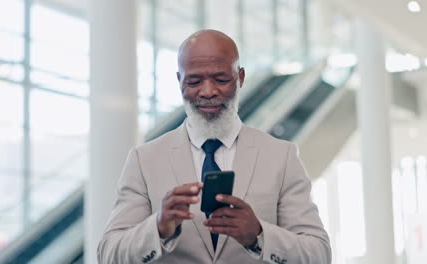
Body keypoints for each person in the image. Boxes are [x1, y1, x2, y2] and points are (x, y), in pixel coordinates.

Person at [97, 29, 331, 264]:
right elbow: (109, 255)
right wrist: (158, 227)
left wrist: (259, 235)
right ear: (179, 81)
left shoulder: (282, 156)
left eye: (221, 79)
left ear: (240, 77)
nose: (208, 92)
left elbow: (318, 254)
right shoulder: (144, 159)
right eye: (194, 81)